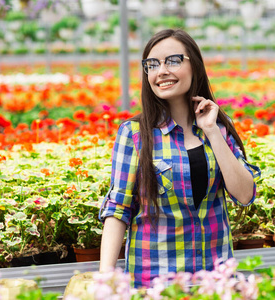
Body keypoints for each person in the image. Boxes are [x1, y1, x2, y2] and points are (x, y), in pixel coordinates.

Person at [99, 29, 261, 288]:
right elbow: (118, 210)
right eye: (152, 65)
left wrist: (211, 130)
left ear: (195, 66)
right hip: (156, 283)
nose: (161, 71)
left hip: (215, 280)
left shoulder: (218, 127)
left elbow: (245, 194)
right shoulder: (135, 134)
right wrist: (105, 281)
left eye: (172, 60)